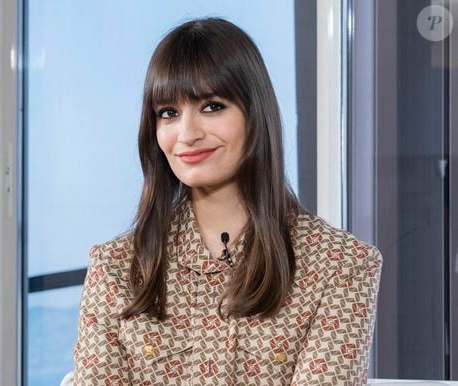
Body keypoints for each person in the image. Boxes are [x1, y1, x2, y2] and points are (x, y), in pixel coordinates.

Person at [61, 16, 383, 386]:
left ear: (255, 114)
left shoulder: (341, 266)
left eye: (212, 106)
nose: (188, 134)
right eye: (168, 113)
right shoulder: (116, 268)